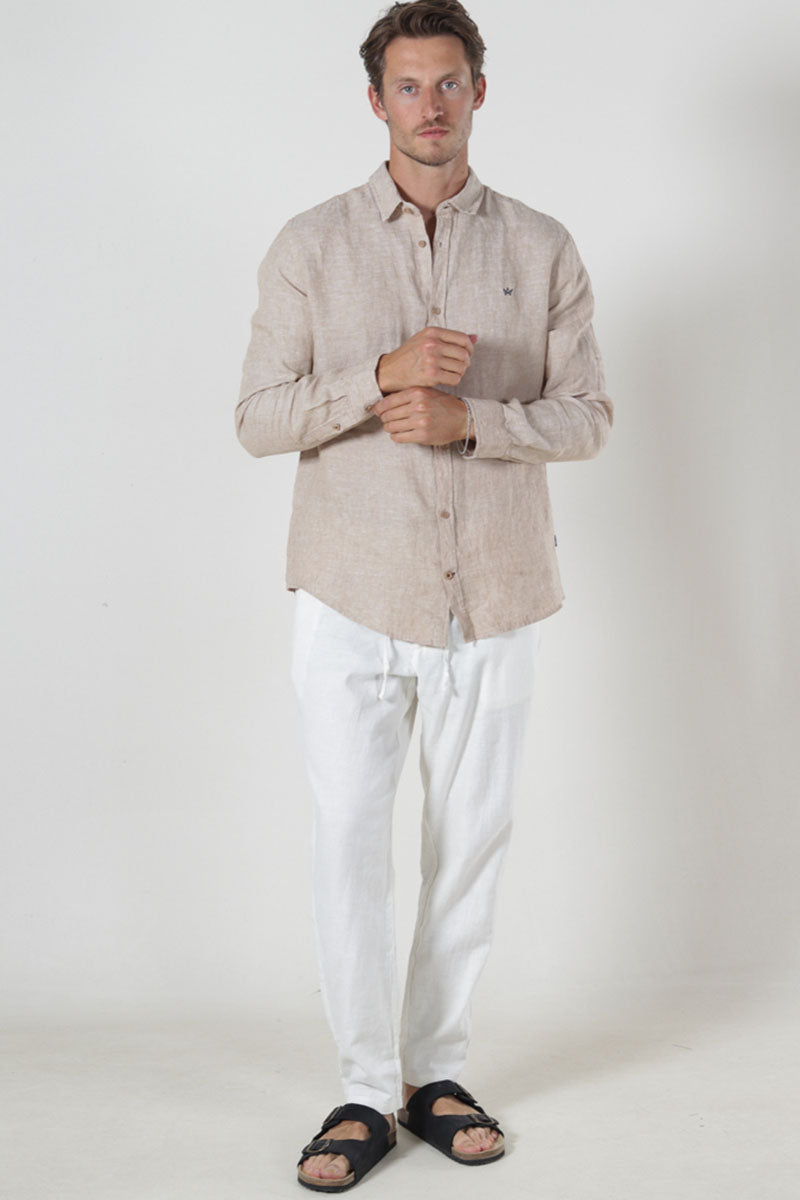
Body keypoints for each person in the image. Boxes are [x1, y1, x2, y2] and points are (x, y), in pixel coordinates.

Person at [236, 0, 613, 1190]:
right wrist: (377, 376)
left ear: (478, 91)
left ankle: (434, 1074)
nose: (430, 105)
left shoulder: (541, 247)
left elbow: (587, 416)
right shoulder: (310, 245)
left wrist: (472, 422)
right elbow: (257, 418)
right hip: (349, 591)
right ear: (375, 101)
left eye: (448, 82)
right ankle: (362, 1089)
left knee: (469, 847)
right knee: (349, 843)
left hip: (494, 593)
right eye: (407, 85)